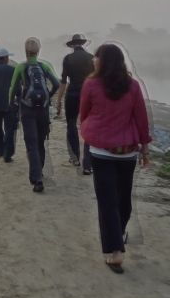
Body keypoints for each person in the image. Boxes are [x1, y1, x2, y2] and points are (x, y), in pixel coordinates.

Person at [79, 43, 151, 274]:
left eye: (96, 57)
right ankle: (117, 237)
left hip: (101, 151)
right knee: (122, 198)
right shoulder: (132, 86)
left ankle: (115, 251)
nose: (93, 61)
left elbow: (84, 113)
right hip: (127, 151)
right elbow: (141, 118)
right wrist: (145, 147)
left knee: (108, 201)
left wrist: (91, 128)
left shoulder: (91, 84)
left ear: (101, 61)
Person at [9, 37, 59, 193]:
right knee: (40, 141)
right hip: (43, 109)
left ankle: (36, 179)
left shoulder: (21, 67)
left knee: (31, 144)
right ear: (38, 51)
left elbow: (13, 88)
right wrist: (49, 96)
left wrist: (12, 103)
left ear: (25, 51)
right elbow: (56, 84)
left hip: (27, 109)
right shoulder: (45, 66)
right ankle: (40, 170)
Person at [56, 33, 95, 174]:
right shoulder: (92, 58)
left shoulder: (68, 59)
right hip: (88, 95)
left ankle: (75, 158)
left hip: (72, 94)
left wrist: (59, 100)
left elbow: (63, 81)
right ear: (83, 44)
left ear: (72, 45)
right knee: (89, 127)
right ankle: (88, 165)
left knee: (71, 124)